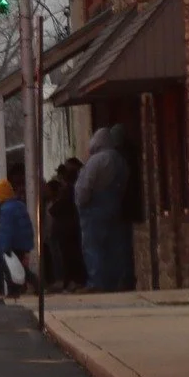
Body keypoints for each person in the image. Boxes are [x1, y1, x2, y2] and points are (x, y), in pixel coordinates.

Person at [75, 124, 133, 291]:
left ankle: (97, 282)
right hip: (114, 206)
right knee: (113, 247)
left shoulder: (97, 160)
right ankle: (114, 282)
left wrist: (81, 202)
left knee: (93, 247)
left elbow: (85, 185)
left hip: (94, 209)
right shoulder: (119, 160)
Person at [0, 179, 35, 299]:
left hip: (12, 245)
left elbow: (6, 231)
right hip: (21, 243)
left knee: (9, 269)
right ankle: (33, 285)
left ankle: (13, 291)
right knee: (20, 268)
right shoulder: (19, 205)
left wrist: (3, 247)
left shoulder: (6, 209)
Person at [48, 161, 85, 292]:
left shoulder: (67, 190)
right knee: (69, 255)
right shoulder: (72, 189)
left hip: (66, 229)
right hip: (69, 228)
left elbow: (55, 209)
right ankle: (70, 281)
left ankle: (69, 281)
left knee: (67, 257)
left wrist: (53, 206)